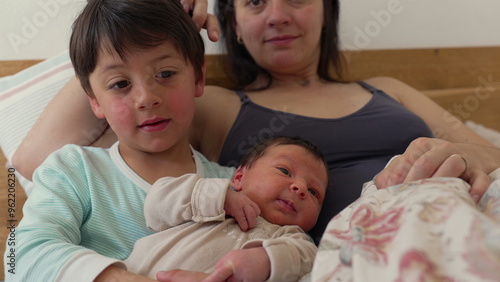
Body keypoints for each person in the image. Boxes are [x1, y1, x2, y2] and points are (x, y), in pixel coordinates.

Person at [12, 0, 500, 244]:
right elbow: (37, 158)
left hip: (468, 208)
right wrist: (161, 13)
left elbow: (490, 155)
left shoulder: (390, 89)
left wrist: (454, 153)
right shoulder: (211, 102)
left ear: (326, 11)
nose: (278, 16)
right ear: (231, 24)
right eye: (255, 2)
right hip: (371, 245)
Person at [4, 0, 236, 281]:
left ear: (198, 76)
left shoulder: (233, 189)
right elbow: (24, 256)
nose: (146, 97)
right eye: (120, 84)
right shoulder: (75, 172)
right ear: (94, 100)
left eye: (165, 74)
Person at [125, 136, 329, 281]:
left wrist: (266, 259)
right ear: (239, 177)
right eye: (284, 171)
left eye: (313, 192)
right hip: (135, 275)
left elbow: (308, 261)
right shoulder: (209, 195)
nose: (300, 188)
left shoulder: (292, 238)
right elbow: (156, 206)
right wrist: (219, 197)